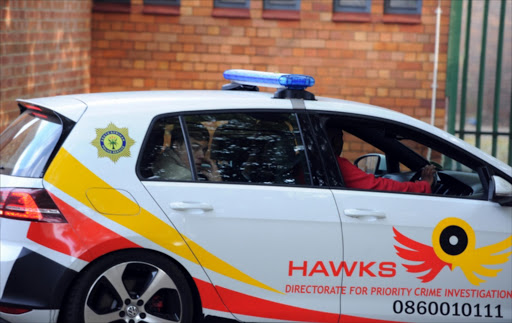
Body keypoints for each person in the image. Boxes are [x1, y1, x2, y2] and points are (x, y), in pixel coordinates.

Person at [328, 127, 435, 193]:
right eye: (340, 137)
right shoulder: (334, 164)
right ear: (335, 140)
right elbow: (375, 186)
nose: (341, 142)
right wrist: (422, 186)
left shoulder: (318, 163)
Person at [154, 122, 221, 181]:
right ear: (176, 146)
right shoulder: (185, 177)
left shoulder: (162, 160)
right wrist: (217, 181)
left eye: (204, 150)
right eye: (194, 148)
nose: (202, 156)